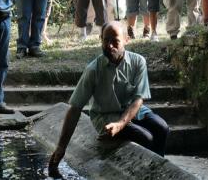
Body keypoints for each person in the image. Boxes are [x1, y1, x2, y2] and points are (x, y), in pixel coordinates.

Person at [48, 21, 169, 178]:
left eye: (115, 41)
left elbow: (138, 100)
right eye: (106, 40)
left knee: (162, 128)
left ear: (126, 40)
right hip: (106, 116)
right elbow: (75, 107)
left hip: (132, 111)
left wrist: (120, 125)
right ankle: (145, 174)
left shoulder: (138, 62)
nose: (110, 45)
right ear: (101, 39)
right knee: (146, 138)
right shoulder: (93, 70)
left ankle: (157, 172)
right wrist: (61, 147)